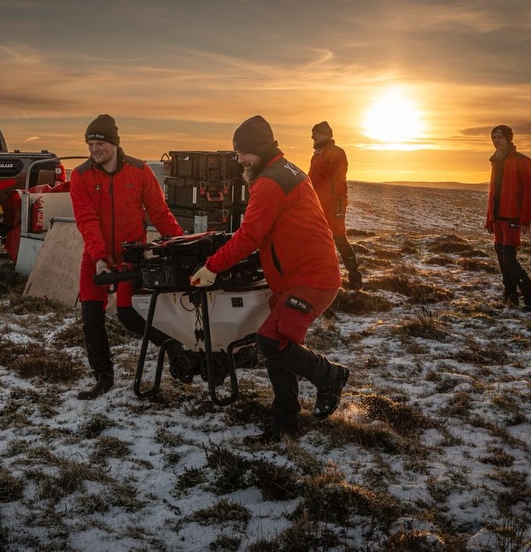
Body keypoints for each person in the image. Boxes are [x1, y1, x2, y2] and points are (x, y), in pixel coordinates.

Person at [190, 115, 348, 443]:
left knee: (269, 342)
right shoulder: (287, 170)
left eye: (243, 153)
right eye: (236, 154)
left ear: (260, 150)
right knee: (279, 345)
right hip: (303, 276)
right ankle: (285, 426)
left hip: (311, 278)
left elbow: (250, 236)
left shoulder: (270, 181)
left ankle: (330, 376)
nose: (239, 160)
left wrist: (211, 267)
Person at [70, 114, 187, 399]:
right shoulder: (81, 175)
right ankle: (103, 376)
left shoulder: (139, 170)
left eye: (99, 143)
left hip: (131, 255)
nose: (94, 149)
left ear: (113, 143)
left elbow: (159, 212)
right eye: (90, 144)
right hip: (95, 256)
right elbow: (86, 219)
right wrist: (98, 257)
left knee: (129, 314)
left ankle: (172, 345)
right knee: (91, 316)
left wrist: (181, 243)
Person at [485, 124, 531, 312]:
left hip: (513, 219)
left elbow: (528, 192)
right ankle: (510, 296)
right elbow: (493, 192)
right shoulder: (495, 161)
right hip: (498, 220)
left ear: (508, 139)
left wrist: (525, 221)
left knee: (509, 260)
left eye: (499, 137)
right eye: (494, 138)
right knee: (502, 259)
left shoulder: (521, 160)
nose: (496, 141)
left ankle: (530, 295)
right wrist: (490, 219)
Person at [308, 121, 364, 290]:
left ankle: (355, 276)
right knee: (319, 238)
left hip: (335, 203)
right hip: (318, 203)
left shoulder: (338, 153)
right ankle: (324, 278)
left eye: (315, 134)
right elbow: (311, 178)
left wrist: (318, 157)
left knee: (339, 237)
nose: (312, 137)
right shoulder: (318, 154)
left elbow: (330, 173)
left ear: (324, 134)